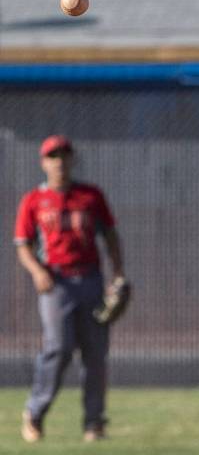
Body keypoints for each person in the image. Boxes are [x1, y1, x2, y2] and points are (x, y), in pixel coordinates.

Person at [15, 134, 125, 443]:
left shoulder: (90, 196)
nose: (59, 161)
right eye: (53, 156)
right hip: (56, 283)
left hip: (90, 279)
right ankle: (34, 413)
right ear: (43, 163)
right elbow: (23, 245)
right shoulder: (34, 201)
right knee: (58, 348)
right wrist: (37, 271)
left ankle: (94, 423)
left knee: (95, 354)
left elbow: (111, 237)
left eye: (64, 155)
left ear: (72, 159)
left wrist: (117, 274)